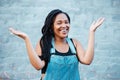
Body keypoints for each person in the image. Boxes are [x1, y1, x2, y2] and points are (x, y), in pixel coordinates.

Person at [9, 9, 105, 80]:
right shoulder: (44, 42)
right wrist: (27, 39)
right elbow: (38, 66)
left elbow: (87, 60)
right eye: (59, 23)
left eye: (66, 22)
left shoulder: (74, 43)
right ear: (51, 26)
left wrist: (92, 32)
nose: (64, 26)